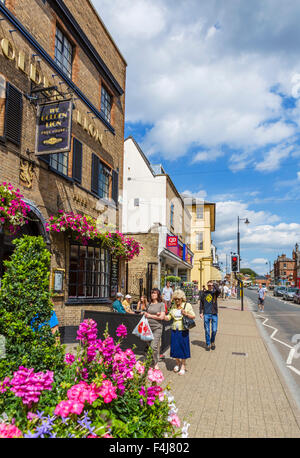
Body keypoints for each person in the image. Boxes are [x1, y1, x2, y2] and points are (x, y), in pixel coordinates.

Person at [164, 289, 195, 375]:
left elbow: (193, 316)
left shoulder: (187, 305)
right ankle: (177, 363)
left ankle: (183, 366)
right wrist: (163, 316)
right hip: (174, 330)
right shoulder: (173, 306)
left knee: (183, 347)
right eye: (175, 299)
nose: (177, 301)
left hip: (183, 330)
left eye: (179, 299)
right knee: (174, 348)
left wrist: (186, 314)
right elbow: (169, 317)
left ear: (182, 299)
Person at [143, 288, 166, 369]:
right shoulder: (149, 304)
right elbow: (146, 313)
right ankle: (152, 361)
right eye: (152, 293)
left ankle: (155, 363)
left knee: (153, 346)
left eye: (155, 293)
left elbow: (162, 317)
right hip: (148, 328)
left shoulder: (161, 304)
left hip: (157, 328)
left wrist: (150, 316)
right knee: (150, 347)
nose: (153, 294)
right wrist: (145, 313)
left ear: (158, 295)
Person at [200, 280, 220, 351]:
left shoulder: (215, 293)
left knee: (214, 330)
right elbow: (201, 303)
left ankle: (212, 341)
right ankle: (208, 344)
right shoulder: (204, 293)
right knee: (207, 330)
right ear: (207, 285)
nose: (210, 286)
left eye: (211, 285)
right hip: (206, 314)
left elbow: (219, 290)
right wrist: (201, 312)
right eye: (208, 285)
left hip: (214, 314)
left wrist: (214, 284)